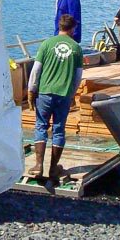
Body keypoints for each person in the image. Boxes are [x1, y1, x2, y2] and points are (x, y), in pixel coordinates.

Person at [27, 14, 84, 181]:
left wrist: (31, 90)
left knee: (41, 126)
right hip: (63, 94)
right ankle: (53, 168)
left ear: (59, 27)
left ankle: (38, 165)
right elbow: (77, 76)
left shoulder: (46, 44)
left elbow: (36, 70)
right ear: (72, 28)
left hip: (44, 93)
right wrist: (72, 94)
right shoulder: (76, 48)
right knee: (59, 129)